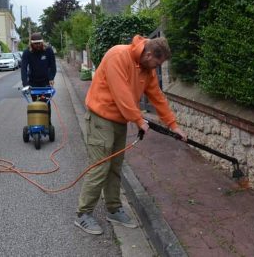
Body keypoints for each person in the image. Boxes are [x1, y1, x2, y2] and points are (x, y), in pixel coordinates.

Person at [74, 35, 188, 235]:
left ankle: (113, 209)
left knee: (115, 167)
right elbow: (122, 94)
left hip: (120, 121)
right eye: (157, 63)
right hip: (100, 119)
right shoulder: (117, 55)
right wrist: (138, 120)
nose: (156, 68)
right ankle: (83, 214)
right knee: (100, 167)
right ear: (149, 54)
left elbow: (157, 97)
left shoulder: (147, 69)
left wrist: (173, 125)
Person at [21, 32, 56, 123]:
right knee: (36, 103)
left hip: (45, 82)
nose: (37, 45)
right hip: (33, 82)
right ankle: (37, 122)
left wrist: (51, 78)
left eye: (39, 43)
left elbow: (53, 66)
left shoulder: (48, 50)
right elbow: (23, 69)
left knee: (46, 104)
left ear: (42, 42)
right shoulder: (27, 52)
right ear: (31, 43)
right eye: (35, 44)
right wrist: (25, 84)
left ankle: (47, 123)